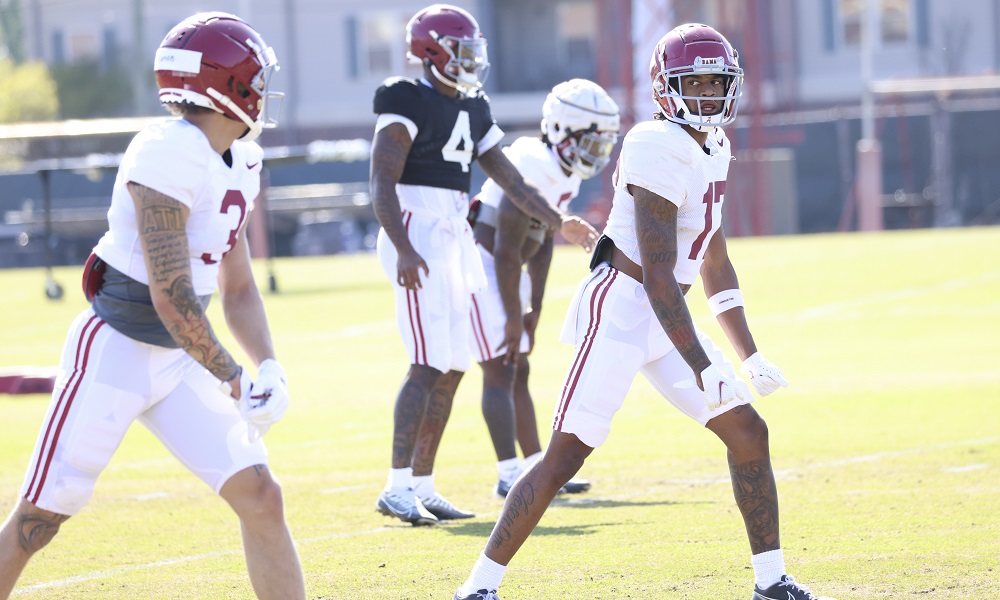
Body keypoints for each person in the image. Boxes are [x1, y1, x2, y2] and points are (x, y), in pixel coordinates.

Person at [453, 23, 837, 600]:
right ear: (666, 87)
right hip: (623, 306)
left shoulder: (715, 144)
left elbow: (712, 259)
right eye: (696, 81)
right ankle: (477, 589)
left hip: (666, 311)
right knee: (565, 457)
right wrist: (702, 362)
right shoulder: (654, 143)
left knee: (748, 431)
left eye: (717, 81)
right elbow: (657, 273)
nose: (709, 93)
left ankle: (771, 582)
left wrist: (747, 354)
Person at [0, 13, 306, 600]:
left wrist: (268, 363)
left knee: (262, 498)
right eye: (255, 75)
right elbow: (172, 298)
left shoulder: (241, 159)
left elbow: (235, 285)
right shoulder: (166, 152)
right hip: (116, 349)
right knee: (39, 520)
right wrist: (236, 377)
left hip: (178, 359)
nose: (264, 88)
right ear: (227, 84)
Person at [371, 4, 599, 527]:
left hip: (453, 230)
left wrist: (559, 220)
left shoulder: (473, 107)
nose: (472, 62)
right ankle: (396, 485)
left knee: (451, 366)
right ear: (432, 52)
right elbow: (382, 180)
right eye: (462, 52)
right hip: (417, 228)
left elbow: (514, 183)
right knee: (427, 363)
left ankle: (423, 486)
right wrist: (403, 245)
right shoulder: (404, 97)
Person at [467, 79, 620, 497]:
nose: (596, 151)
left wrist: (533, 308)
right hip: (481, 266)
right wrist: (516, 317)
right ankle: (506, 474)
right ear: (560, 130)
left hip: (505, 266)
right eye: (590, 140)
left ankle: (534, 466)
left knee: (518, 368)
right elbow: (505, 247)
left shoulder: (560, 172)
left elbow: (540, 246)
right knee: (499, 367)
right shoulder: (533, 160)